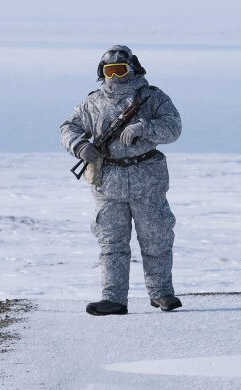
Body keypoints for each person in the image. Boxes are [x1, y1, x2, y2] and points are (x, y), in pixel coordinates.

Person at [60, 45, 182, 315]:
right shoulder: (92, 103)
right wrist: (80, 146)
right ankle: (113, 298)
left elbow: (174, 127)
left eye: (120, 69)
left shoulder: (152, 97)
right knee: (111, 242)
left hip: (146, 177)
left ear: (133, 69)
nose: (115, 76)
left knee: (156, 237)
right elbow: (68, 127)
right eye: (109, 71)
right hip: (108, 181)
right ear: (101, 73)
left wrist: (144, 128)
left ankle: (162, 294)